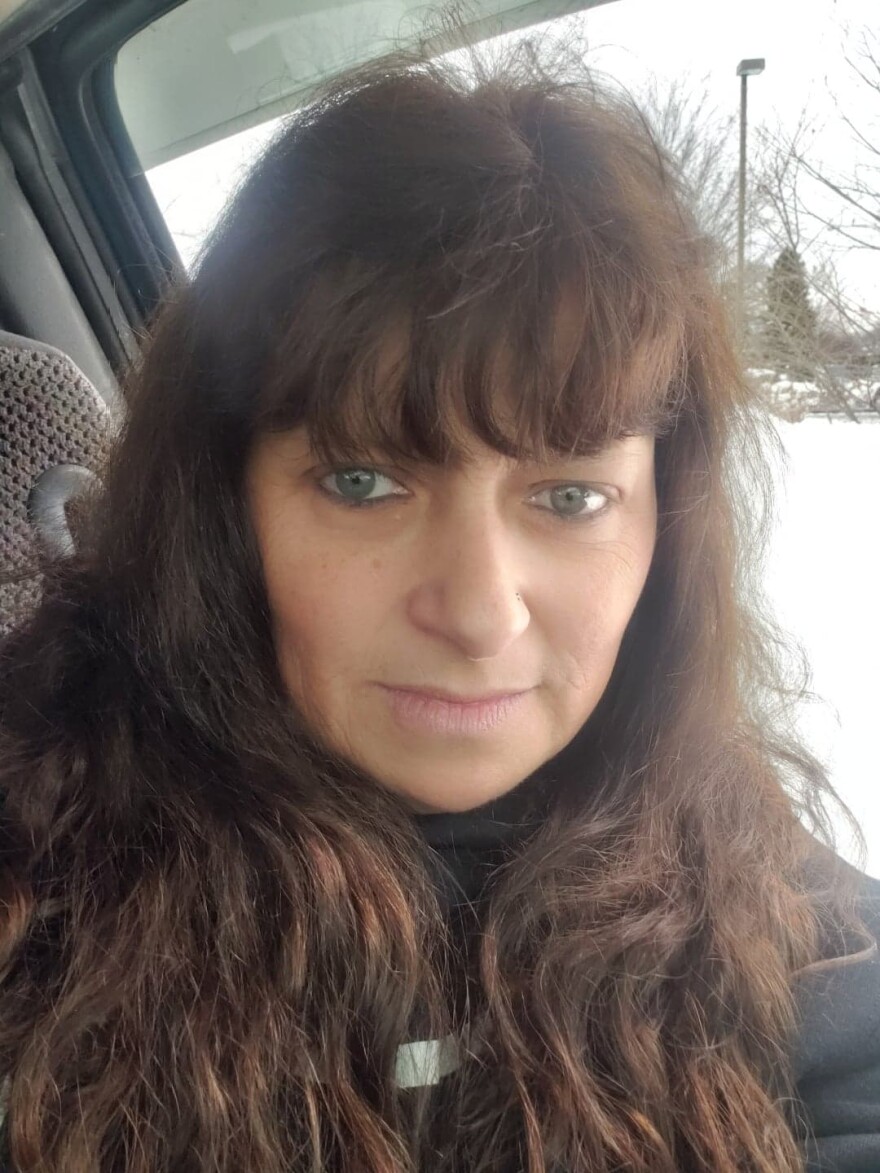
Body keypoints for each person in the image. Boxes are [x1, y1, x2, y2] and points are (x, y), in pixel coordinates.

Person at [0, 30, 878, 1173]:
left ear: (664, 525)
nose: (478, 613)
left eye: (567, 496)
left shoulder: (739, 863)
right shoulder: (42, 859)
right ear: (225, 510)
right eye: (362, 482)